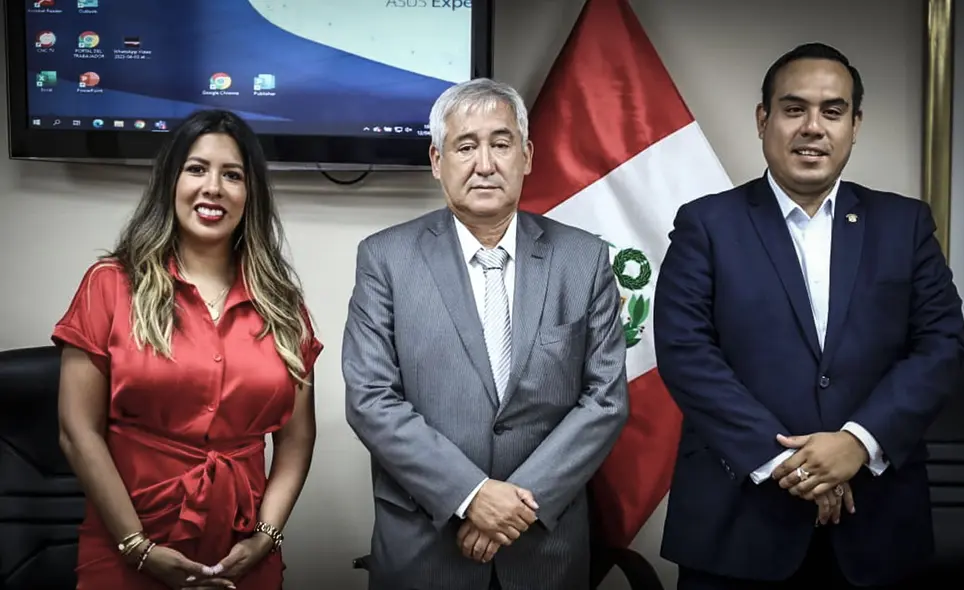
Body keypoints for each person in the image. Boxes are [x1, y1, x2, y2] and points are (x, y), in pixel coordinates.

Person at [653, 42, 964, 589]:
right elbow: (686, 354)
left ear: (855, 124)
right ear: (763, 119)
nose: (812, 127)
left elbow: (940, 346)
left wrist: (858, 443)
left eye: (832, 111)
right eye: (794, 109)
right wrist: (789, 466)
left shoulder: (905, 224)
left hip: (877, 524)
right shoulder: (707, 224)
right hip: (738, 523)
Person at [342, 77, 629, 590]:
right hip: (427, 546)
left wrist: (514, 504)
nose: (485, 163)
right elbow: (370, 399)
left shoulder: (583, 260)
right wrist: (471, 495)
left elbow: (604, 399)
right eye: (465, 146)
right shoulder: (384, 258)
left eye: (501, 143)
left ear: (527, 156)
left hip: (543, 545)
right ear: (436, 160)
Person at [53, 109, 323, 590]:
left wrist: (266, 537)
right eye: (196, 169)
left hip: (243, 559)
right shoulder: (110, 284)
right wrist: (138, 547)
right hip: (127, 551)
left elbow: (297, 439)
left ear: (250, 195)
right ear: (170, 183)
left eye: (232, 175)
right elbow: (78, 431)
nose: (213, 187)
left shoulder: (283, 304)